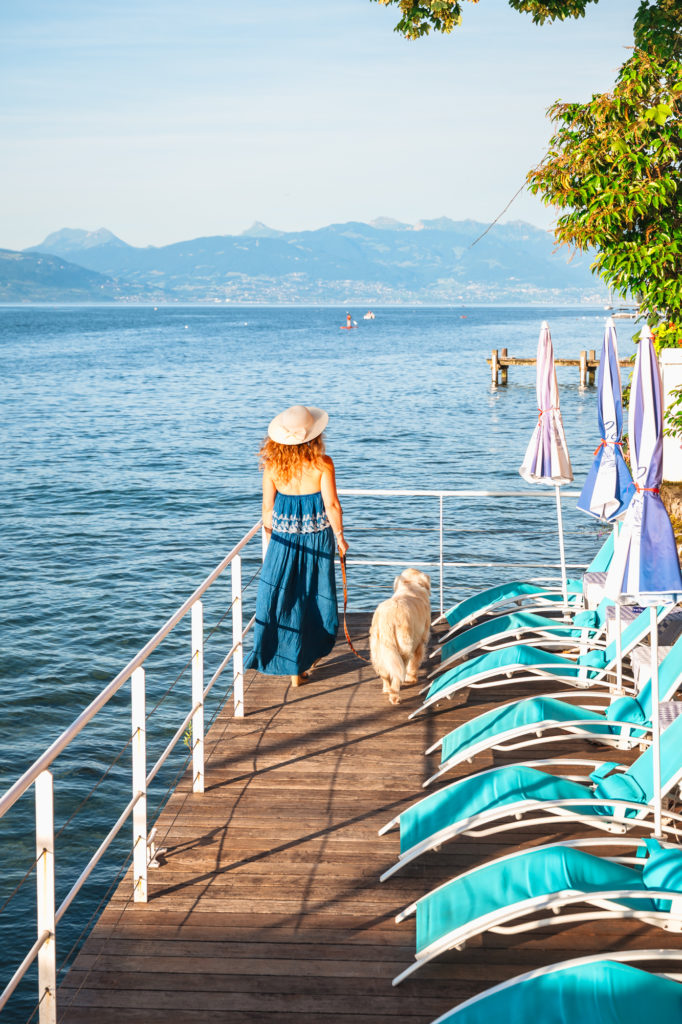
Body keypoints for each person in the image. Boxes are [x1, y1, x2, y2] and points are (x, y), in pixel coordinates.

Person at [245, 404, 349, 688]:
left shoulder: (272, 467)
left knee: (285, 597)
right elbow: (331, 505)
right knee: (314, 595)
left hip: (283, 540)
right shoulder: (323, 463)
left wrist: (272, 539)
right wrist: (340, 537)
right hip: (316, 539)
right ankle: (304, 661)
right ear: (314, 436)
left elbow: (267, 510)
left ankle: (290, 664)